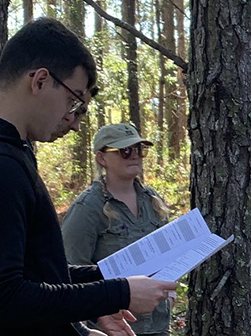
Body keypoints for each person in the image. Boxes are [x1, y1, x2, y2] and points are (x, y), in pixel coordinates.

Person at [0, 18, 176, 336]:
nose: (73, 121)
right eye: (74, 101)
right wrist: (118, 294)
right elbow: (0, 300)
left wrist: (105, 291)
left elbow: (39, 273)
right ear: (40, 81)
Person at [62, 123, 174, 336]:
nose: (134, 156)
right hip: (113, 328)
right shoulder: (87, 208)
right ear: (102, 158)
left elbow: (168, 253)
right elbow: (70, 271)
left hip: (158, 325)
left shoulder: (152, 201)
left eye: (140, 150)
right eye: (124, 151)